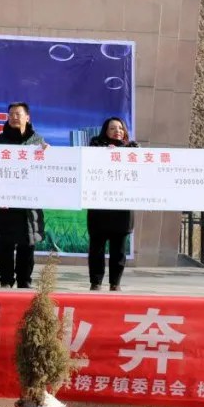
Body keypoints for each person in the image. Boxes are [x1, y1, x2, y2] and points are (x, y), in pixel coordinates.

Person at [0, 102, 46, 289]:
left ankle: (24, 280)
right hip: (5, 201)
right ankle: (5, 280)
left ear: (27, 117)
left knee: (27, 242)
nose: (14, 117)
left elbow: (45, 169)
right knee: (5, 243)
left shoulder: (38, 141)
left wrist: (48, 154)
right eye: (11, 114)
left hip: (29, 203)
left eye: (18, 114)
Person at [88, 117, 138, 292]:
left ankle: (115, 283)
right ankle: (95, 282)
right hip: (99, 206)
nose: (117, 131)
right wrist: (105, 154)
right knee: (97, 248)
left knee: (119, 249)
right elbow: (89, 164)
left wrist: (120, 153)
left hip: (122, 208)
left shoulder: (133, 149)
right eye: (112, 128)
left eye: (120, 128)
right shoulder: (95, 146)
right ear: (105, 131)